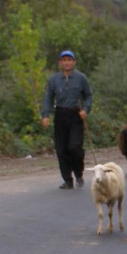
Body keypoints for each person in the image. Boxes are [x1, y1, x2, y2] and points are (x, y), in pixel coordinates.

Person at [41, 50, 93, 189]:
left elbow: (88, 96)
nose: (67, 62)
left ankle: (78, 173)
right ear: (60, 63)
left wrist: (85, 110)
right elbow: (48, 98)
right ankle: (67, 180)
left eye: (69, 60)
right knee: (61, 149)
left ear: (74, 62)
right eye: (64, 60)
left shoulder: (81, 78)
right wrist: (45, 115)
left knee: (74, 147)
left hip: (76, 115)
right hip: (60, 115)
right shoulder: (54, 80)